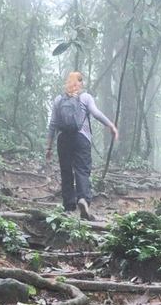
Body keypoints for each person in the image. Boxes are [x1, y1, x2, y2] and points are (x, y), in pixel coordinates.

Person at [44, 70, 118, 220]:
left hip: (63, 139)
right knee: (82, 170)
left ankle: (68, 207)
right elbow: (96, 113)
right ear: (80, 83)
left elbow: (53, 124)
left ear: (67, 83)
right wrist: (111, 125)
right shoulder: (85, 97)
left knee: (66, 171)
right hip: (81, 138)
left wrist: (49, 147)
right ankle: (83, 199)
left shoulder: (59, 100)